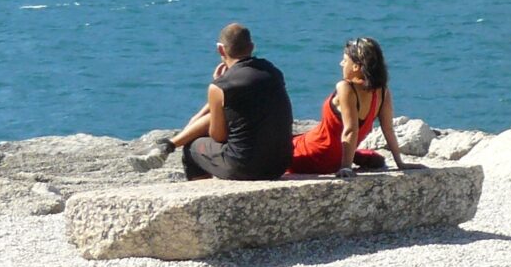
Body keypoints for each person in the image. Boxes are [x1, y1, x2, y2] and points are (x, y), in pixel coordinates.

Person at [161, 23, 293, 181]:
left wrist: (217, 86)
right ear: (251, 47)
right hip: (279, 164)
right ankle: (168, 145)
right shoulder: (273, 72)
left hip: (244, 167)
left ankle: (205, 200)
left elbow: (218, 136)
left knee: (192, 148)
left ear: (220, 49)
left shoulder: (221, 86)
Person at [289, 37, 410, 176]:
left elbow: (350, 130)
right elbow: (388, 129)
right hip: (337, 158)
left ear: (356, 67)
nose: (341, 64)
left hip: (315, 154)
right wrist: (400, 163)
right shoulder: (382, 91)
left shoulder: (346, 87)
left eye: (345, 60)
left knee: (279, 144)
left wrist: (346, 168)